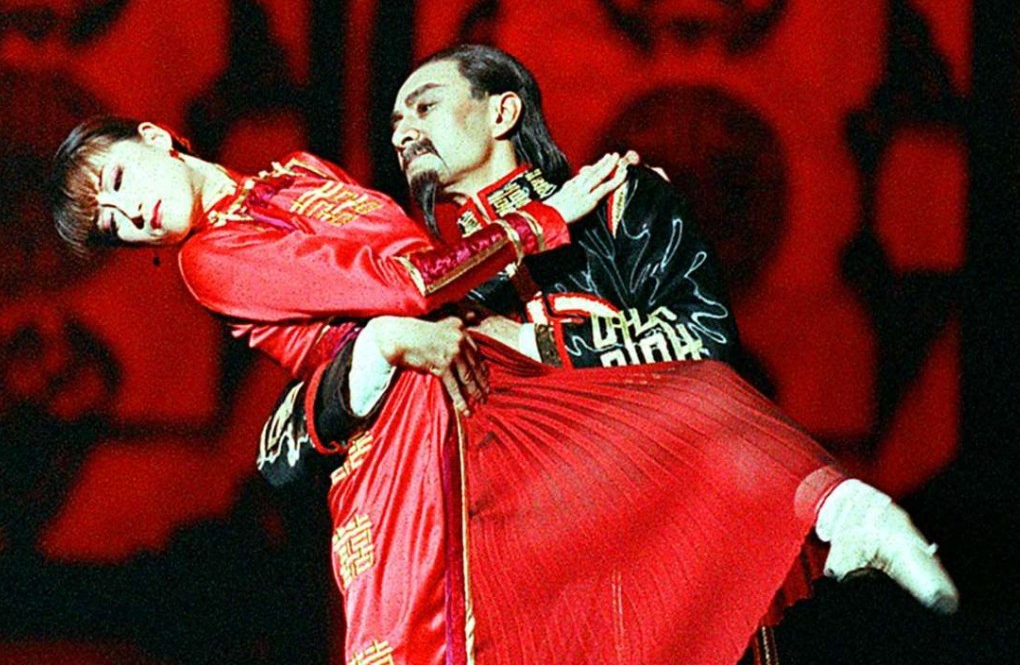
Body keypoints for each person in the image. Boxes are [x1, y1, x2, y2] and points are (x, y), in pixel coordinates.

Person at [50, 107, 957, 665]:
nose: (135, 215)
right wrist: (542, 219)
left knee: (684, 398)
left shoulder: (297, 174)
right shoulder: (209, 260)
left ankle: (835, 521)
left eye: (123, 184)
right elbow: (405, 287)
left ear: (157, 138)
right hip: (408, 432)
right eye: (119, 225)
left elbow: (423, 260)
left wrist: (540, 268)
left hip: (474, 364)